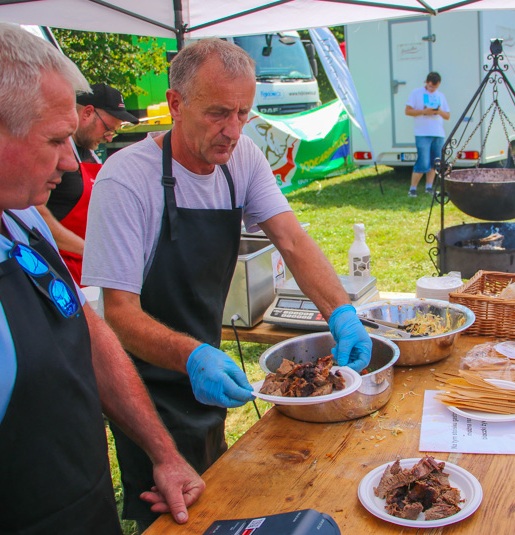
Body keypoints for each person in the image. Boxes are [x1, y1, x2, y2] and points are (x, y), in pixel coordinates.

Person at [81, 38, 372, 531]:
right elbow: (119, 314)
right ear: (175, 104)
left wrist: (342, 314)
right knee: (176, 522)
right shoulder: (125, 180)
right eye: (219, 113)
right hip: (146, 390)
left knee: (216, 501)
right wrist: (191, 356)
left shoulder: (242, 159)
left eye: (243, 113)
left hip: (210, 375)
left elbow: (292, 241)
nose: (233, 131)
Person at [0, 23, 204, 534]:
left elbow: (85, 331)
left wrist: (162, 451)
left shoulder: (22, 215)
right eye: (55, 140)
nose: (72, 161)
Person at [36, 83, 139, 286]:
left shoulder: (92, 155)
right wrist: (91, 251)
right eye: (108, 128)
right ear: (88, 113)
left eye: (115, 131)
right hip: (58, 272)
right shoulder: (55, 155)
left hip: (89, 270)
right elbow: (37, 215)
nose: (110, 136)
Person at [405, 72, 450, 197]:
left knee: (435, 162)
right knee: (423, 161)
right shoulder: (416, 93)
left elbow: (447, 115)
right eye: (430, 87)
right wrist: (424, 111)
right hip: (422, 133)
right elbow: (407, 111)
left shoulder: (440, 95)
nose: (433, 89)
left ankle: (429, 187)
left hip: (438, 132)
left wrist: (439, 111)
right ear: (426, 82)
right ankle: (412, 188)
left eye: (435, 87)